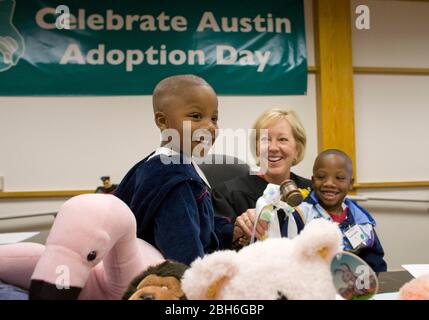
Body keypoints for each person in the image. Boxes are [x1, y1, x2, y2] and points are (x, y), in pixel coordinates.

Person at [114, 74, 220, 265]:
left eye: (214, 118)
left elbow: (203, 226)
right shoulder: (174, 179)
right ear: (162, 121)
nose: (209, 126)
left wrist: (234, 229)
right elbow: (184, 259)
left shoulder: (163, 164)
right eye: (196, 116)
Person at [212, 108, 311, 249]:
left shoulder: (312, 192)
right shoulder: (228, 194)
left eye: (282, 139)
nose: (273, 147)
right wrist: (237, 231)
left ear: (297, 149)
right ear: (257, 148)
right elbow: (212, 245)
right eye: (265, 139)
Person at [284, 149, 387, 272]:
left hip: (351, 285)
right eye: (321, 177)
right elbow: (288, 256)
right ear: (312, 180)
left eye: (339, 178)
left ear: (350, 183)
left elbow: (374, 260)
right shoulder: (300, 214)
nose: (329, 183)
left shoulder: (361, 219)